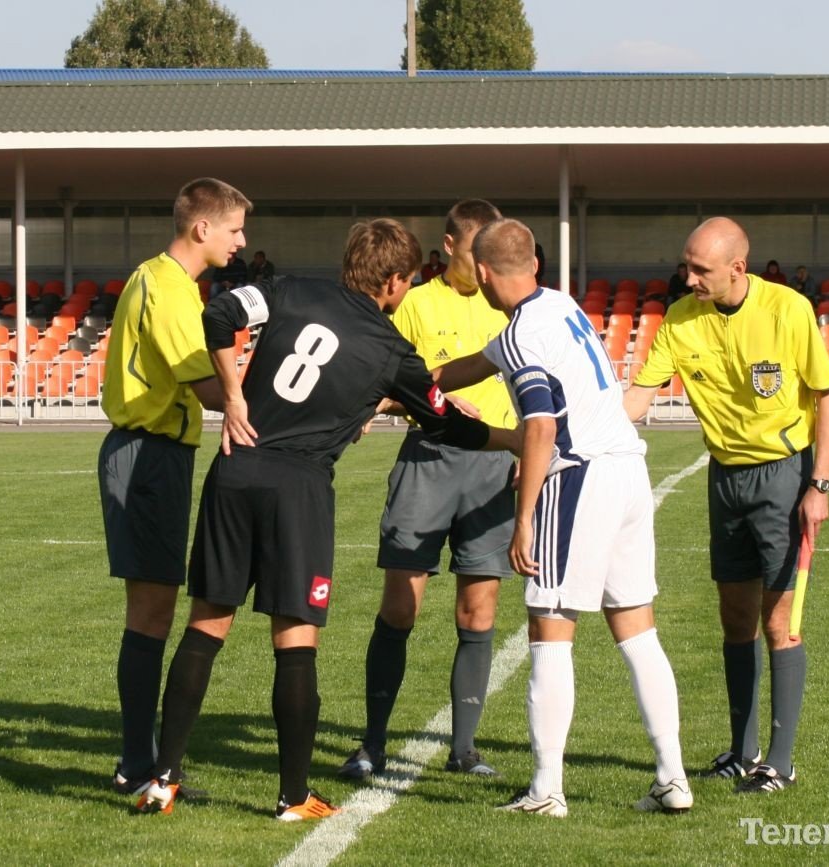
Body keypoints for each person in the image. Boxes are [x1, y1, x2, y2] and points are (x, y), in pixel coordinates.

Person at [135, 218, 520, 821]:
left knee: (206, 627)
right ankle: (293, 796)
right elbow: (451, 424)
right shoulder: (393, 350)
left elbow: (217, 316)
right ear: (394, 280)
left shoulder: (289, 289)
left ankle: (162, 778)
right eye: (406, 280)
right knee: (295, 642)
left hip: (236, 466)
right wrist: (517, 440)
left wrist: (233, 396)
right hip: (299, 489)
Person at [435, 218, 692, 817]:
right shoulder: (557, 303)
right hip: (627, 468)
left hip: (579, 475)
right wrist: (416, 383)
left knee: (549, 626)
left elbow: (543, 425)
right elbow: (479, 362)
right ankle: (672, 777)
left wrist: (524, 519)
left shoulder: (524, 332)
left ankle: (547, 789)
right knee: (638, 630)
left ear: (483, 271)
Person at [624, 217, 829, 795]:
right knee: (736, 619)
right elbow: (642, 395)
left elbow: (827, 393)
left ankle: (783, 761)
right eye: (686, 265)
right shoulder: (679, 318)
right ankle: (743, 753)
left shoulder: (788, 310)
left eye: (700, 269)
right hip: (726, 480)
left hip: (783, 477)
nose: (687, 277)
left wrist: (818, 486)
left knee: (780, 624)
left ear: (737, 269)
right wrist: (575, 432)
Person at [338, 199, 517, 781]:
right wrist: (427, 402)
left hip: (494, 466)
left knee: (478, 610)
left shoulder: (512, 308)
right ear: (449, 249)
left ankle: (464, 750)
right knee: (400, 607)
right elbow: (379, 385)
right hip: (428, 463)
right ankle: (372, 745)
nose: (487, 265)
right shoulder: (414, 304)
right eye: (476, 254)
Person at [98, 177, 246, 797]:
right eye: (236, 228)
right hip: (148, 453)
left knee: (154, 608)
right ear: (202, 228)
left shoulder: (167, 282)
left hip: (157, 453)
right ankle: (138, 763)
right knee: (152, 610)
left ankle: (141, 757)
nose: (243, 241)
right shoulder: (167, 287)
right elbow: (209, 388)